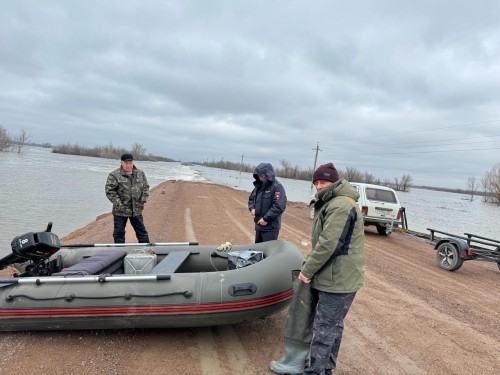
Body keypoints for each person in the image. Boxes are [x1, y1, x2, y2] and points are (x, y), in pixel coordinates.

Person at [269, 162, 365, 375]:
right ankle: (325, 368)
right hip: (336, 276)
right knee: (333, 326)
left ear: (334, 182)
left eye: (324, 181)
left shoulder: (340, 205)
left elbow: (329, 244)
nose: (319, 186)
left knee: (325, 327)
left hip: (338, 280)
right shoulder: (333, 202)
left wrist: (307, 271)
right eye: (316, 182)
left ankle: (316, 371)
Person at [105, 153, 150, 243]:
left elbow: (146, 187)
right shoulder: (114, 175)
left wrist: (143, 200)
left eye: (130, 163)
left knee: (142, 232)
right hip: (120, 211)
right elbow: (110, 191)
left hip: (136, 209)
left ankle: (146, 251)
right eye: (126, 163)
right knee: (119, 233)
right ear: (121, 163)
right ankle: (119, 253)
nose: (129, 165)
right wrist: (119, 204)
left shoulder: (140, 173)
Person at [248, 163, 287, 243]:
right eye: (259, 176)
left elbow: (279, 206)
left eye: (262, 176)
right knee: (258, 251)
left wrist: (266, 219)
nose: (260, 178)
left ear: (268, 175)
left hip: (271, 228)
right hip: (259, 225)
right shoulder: (258, 187)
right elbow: (251, 199)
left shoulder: (277, 187)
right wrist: (252, 208)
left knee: (268, 252)